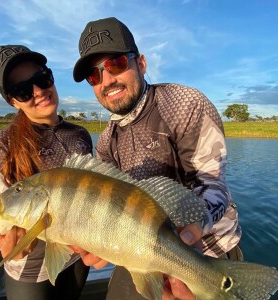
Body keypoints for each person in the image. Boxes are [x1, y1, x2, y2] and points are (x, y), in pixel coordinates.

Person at [71, 17, 243, 300]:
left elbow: (213, 185)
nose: (107, 80)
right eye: (94, 75)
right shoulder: (105, 141)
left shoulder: (183, 104)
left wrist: (191, 231)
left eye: (115, 64)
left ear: (140, 63)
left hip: (211, 253)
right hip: (141, 252)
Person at [0, 45, 93, 300]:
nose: (38, 91)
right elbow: (8, 216)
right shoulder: (2, 145)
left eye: (41, 79)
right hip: (32, 270)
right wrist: (12, 239)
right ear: (12, 101)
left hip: (78, 255)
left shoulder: (80, 134)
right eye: (23, 90)